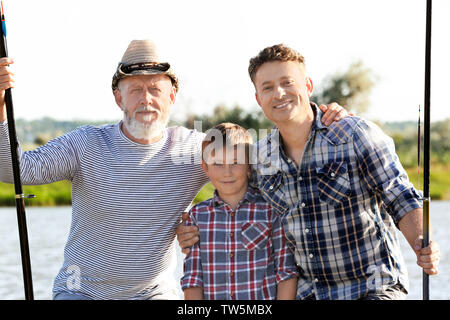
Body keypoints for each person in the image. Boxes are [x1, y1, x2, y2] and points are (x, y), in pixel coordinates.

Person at [0, 40, 346, 300]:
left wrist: (323, 116)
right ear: (118, 98)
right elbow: (15, 171)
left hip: (154, 293)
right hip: (81, 290)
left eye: (155, 89)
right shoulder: (85, 144)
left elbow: (259, 158)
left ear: (172, 97)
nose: (146, 99)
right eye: (135, 90)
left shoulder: (195, 149)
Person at [177, 44, 441, 300]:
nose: (278, 93)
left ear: (308, 86)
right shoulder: (258, 158)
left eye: (287, 82)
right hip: (308, 293)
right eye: (267, 87)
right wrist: (189, 227)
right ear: (258, 99)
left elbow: (400, 195)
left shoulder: (356, 135)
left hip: (372, 289)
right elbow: (233, 200)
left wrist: (421, 241)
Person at [181, 123, 298, 300]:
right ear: (205, 167)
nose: (227, 172)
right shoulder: (197, 217)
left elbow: (286, 271)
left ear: (249, 166)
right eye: (218, 163)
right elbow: (193, 279)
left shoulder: (270, 210)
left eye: (236, 162)